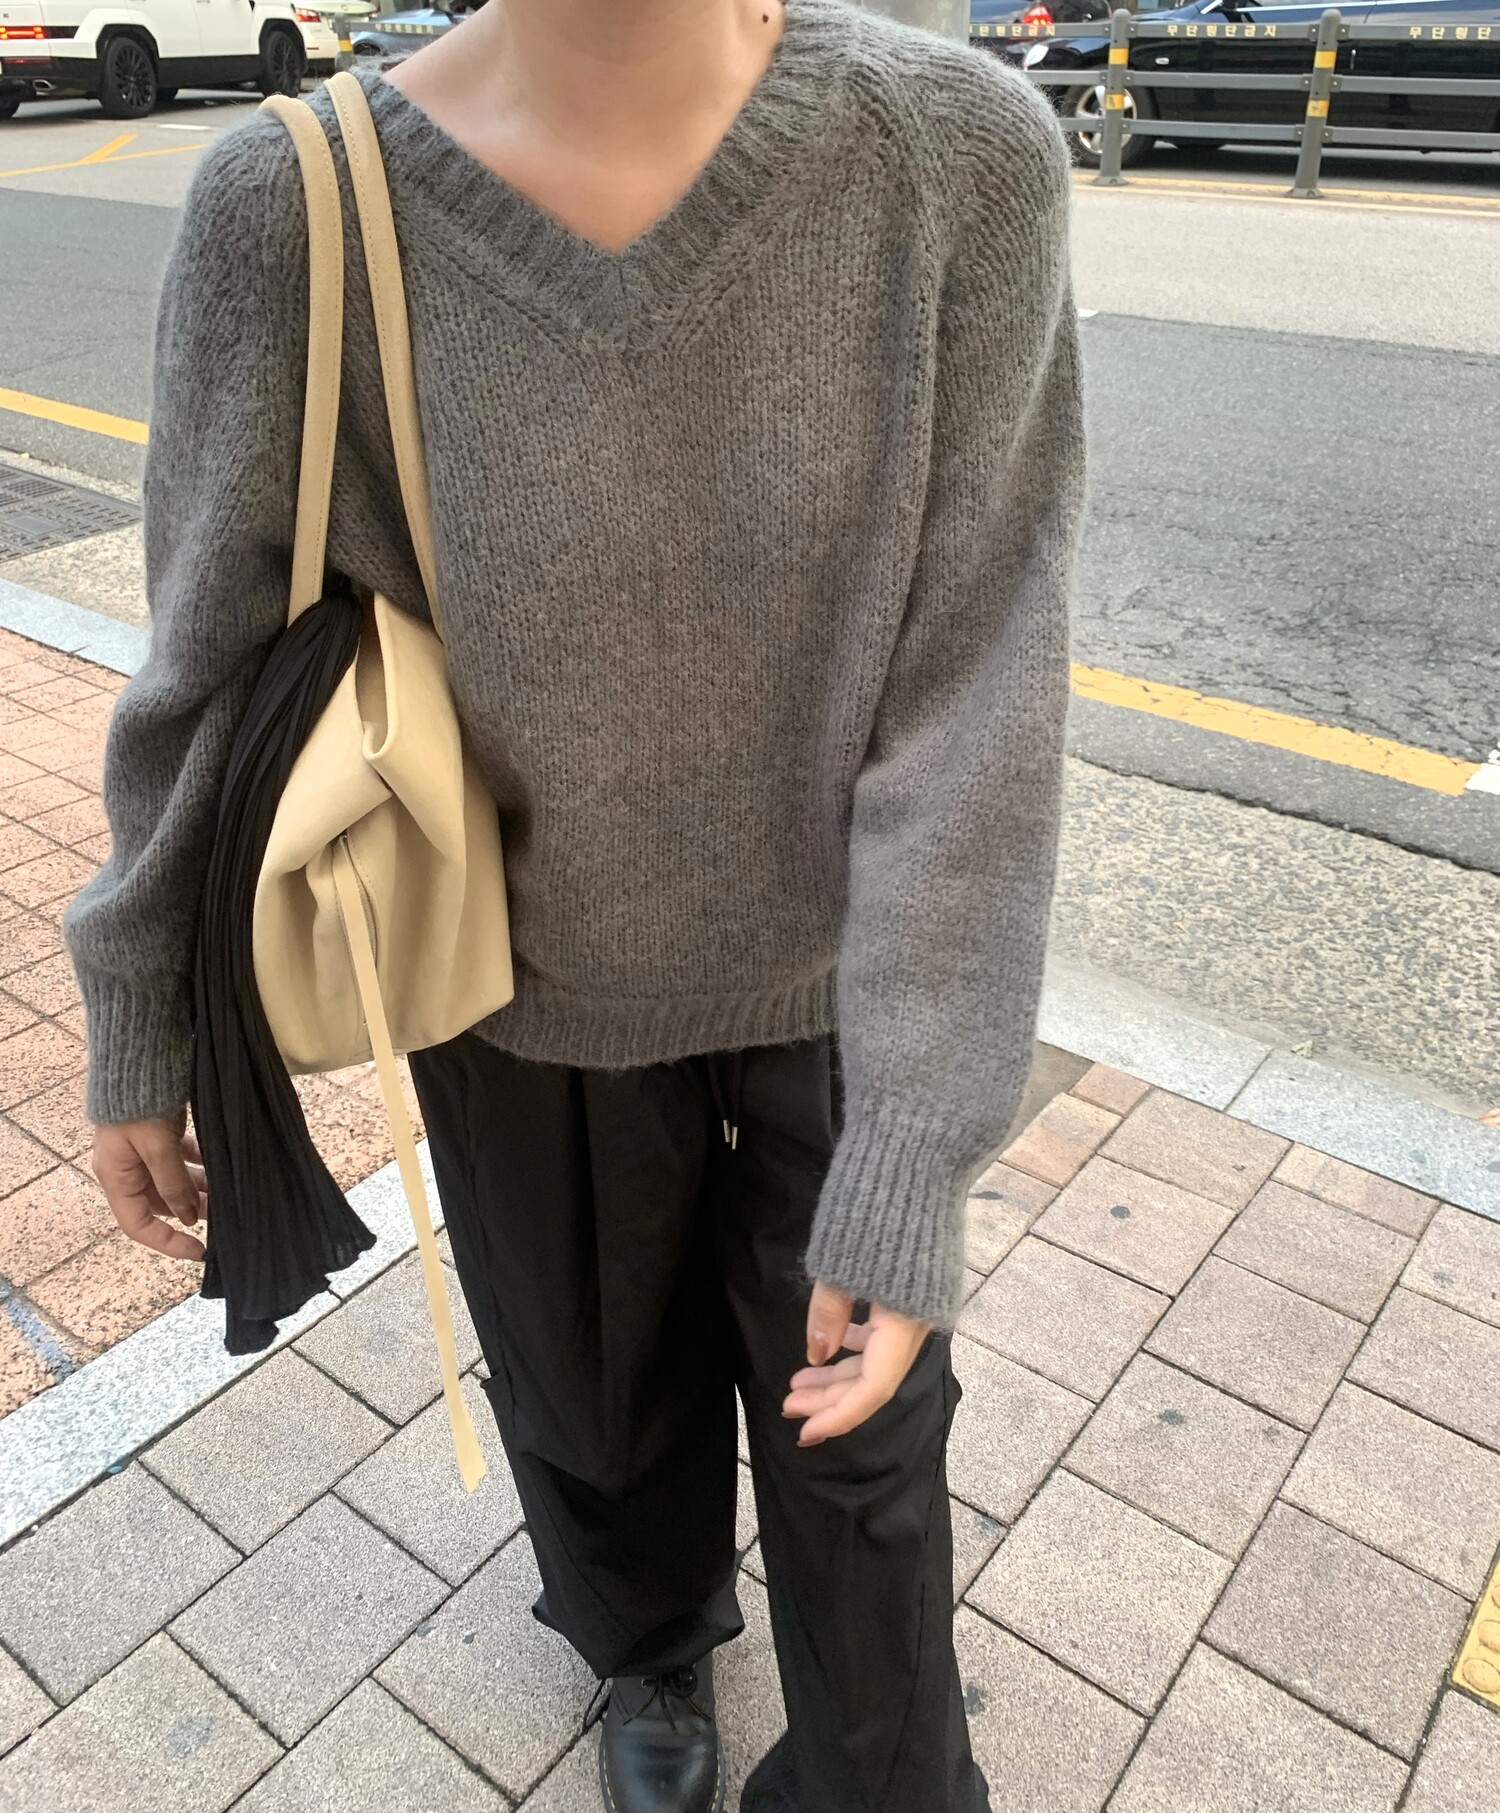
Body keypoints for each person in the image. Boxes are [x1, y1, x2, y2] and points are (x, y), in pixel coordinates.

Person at [62, 0, 1085, 1807]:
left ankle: (874, 1762)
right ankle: (648, 1637)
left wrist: (921, 1141)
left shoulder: (957, 160)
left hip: (846, 987)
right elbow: (207, 656)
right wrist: (143, 1007)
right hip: (512, 985)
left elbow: (980, 678)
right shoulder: (296, 205)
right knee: (590, 1393)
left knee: (866, 1455)